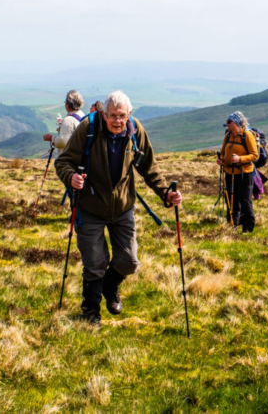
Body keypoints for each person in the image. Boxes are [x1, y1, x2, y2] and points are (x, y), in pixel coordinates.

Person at [54, 91, 182, 326]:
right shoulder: (88, 128)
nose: (116, 121)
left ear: (129, 115)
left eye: (121, 116)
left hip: (122, 207)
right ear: (104, 114)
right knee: (95, 263)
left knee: (129, 261)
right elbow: (63, 162)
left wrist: (166, 193)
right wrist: (71, 177)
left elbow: (149, 167)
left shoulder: (135, 131)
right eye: (112, 115)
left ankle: (110, 285)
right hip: (90, 206)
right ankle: (91, 311)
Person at [216, 111, 258, 233]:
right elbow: (223, 151)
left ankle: (248, 227)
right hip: (229, 172)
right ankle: (233, 224)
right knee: (230, 198)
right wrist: (221, 159)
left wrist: (240, 159)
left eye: (229, 122)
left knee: (245, 200)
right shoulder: (228, 135)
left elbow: (254, 155)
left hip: (245, 173)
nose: (227, 124)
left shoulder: (247, 135)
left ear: (236, 123)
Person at [44, 90, 85, 157]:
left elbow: (62, 141)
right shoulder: (83, 115)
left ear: (67, 105)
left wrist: (51, 138)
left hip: (70, 159)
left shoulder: (68, 120)